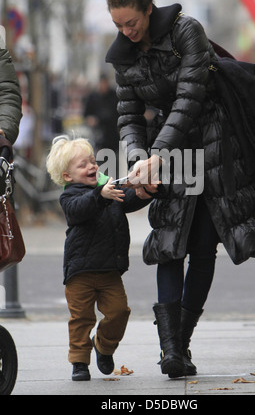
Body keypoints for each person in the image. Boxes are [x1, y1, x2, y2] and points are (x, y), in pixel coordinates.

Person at [105, 0, 255, 379]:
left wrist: (156, 156)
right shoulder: (122, 56)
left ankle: (181, 342)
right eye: (118, 25)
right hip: (169, 150)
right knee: (170, 241)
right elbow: (129, 116)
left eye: (131, 22)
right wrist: (139, 159)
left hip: (216, 142)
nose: (126, 32)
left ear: (148, 9)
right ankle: (171, 349)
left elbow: (189, 98)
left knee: (204, 244)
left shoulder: (186, 31)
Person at [46, 135, 155, 381]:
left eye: (93, 161)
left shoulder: (107, 188)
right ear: (67, 176)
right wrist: (100, 195)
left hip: (109, 270)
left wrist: (145, 193)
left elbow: (126, 199)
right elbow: (78, 210)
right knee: (81, 318)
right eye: (83, 165)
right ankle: (79, 362)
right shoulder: (69, 196)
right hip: (80, 272)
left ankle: (103, 346)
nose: (92, 166)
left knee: (119, 312)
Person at [83, 73, 119, 153]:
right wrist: (90, 120)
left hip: (112, 134)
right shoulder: (93, 96)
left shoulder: (114, 96)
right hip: (98, 133)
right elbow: (86, 114)